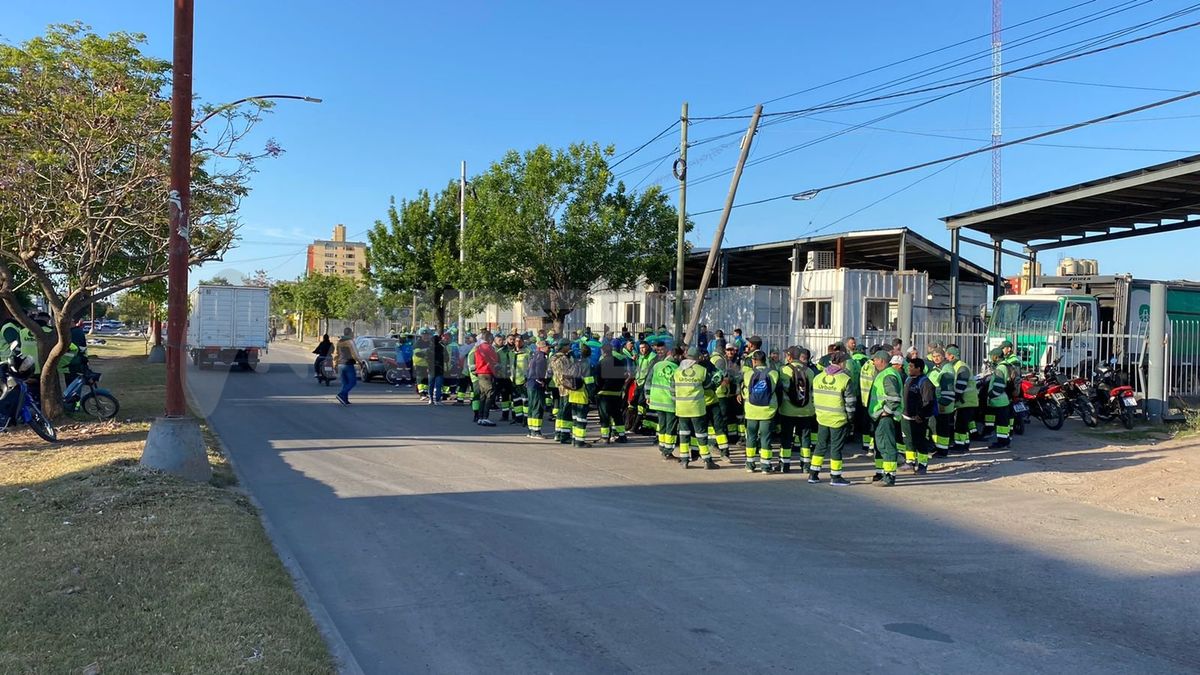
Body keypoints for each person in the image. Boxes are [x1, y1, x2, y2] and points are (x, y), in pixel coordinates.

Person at [809, 351, 856, 486]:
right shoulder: (844, 379)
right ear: (842, 363)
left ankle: (813, 474)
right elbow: (850, 402)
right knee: (836, 448)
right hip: (838, 419)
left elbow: (813, 397)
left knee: (820, 446)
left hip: (822, 417)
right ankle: (835, 477)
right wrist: (851, 419)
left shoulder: (818, 377)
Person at [673, 347, 718, 469]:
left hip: (681, 408)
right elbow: (709, 386)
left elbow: (672, 389)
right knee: (701, 434)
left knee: (683, 434)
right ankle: (707, 460)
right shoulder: (701, 370)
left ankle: (684, 460)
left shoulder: (677, 371)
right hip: (696, 408)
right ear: (697, 358)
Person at [867, 350, 903, 486]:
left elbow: (894, 398)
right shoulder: (884, 374)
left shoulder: (888, 375)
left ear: (881, 360)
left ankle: (889, 476)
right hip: (879, 416)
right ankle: (880, 473)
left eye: (875, 360)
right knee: (879, 446)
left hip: (885, 417)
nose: (873, 362)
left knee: (887, 446)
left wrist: (886, 412)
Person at [740, 350, 779, 473]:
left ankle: (750, 464)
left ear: (754, 361)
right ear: (765, 360)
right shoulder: (774, 373)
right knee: (765, 438)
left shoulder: (748, 374)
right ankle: (765, 466)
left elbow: (744, 391)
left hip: (751, 410)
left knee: (751, 437)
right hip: (767, 411)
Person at [777, 346, 812, 474]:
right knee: (805, 437)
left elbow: (779, 388)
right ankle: (806, 465)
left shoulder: (783, 370)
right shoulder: (809, 371)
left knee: (786, 437)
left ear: (790, 357)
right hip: (806, 410)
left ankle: (784, 465)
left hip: (787, 410)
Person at [902, 358, 937, 474]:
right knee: (908, 441)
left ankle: (922, 465)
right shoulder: (908, 379)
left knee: (920, 442)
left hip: (919, 419)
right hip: (907, 417)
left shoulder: (925, 382)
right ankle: (910, 462)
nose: (909, 368)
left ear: (919, 369)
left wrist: (921, 415)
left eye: (911, 366)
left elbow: (928, 402)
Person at [646, 346, 680, 460]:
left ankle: (662, 447)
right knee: (671, 427)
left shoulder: (657, 365)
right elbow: (674, 388)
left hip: (657, 400)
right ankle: (668, 451)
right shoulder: (676, 368)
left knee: (662, 424)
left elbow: (648, 381)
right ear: (675, 357)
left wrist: (648, 396)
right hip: (669, 402)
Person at [946, 345, 977, 454]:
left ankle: (960, 446)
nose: (946, 358)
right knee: (963, 424)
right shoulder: (958, 366)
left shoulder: (961, 367)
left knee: (960, 424)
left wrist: (956, 397)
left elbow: (960, 385)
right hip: (966, 401)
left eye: (947, 355)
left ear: (952, 356)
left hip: (966, 401)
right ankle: (964, 444)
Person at [927, 346, 956, 458]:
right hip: (938, 403)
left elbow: (947, 388)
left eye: (938, 356)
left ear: (943, 356)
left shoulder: (946, 369)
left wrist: (944, 403)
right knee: (938, 427)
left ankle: (943, 451)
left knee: (943, 428)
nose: (936, 358)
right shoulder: (938, 368)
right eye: (934, 356)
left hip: (943, 404)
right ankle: (939, 449)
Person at [596, 344, 629, 443]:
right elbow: (623, 377)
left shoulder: (601, 363)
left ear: (603, 352)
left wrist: (597, 390)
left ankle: (605, 437)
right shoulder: (619, 362)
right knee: (617, 415)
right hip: (617, 393)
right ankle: (622, 436)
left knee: (605, 416)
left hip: (604, 393)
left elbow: (598, 380)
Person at [985, 348, 1012, 448]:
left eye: (992, 356)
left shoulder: (1000, 368)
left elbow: (998, 386)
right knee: (1004, 423)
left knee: (1001, 424)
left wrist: (991, 395)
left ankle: (1002, 442)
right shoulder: (1006, 365)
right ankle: (1005, 441)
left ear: (996, 357)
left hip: (999, 400)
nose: (991, 358)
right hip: (1004, 400)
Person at [473, 330, 499, 426]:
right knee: (490, 394)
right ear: (488, 338)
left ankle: (480, 417)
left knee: (483, 395)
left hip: (480, 372)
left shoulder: (478, 347)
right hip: (487, 372)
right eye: (492, 338)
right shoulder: (489, 347)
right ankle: (485, 417)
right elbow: (494, 361)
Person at [526, 340, 550, 439]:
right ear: (542, 348)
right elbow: (539, 372)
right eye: (548, 347)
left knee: (532, 407)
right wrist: (542, 381)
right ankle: (536, 432)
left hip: (531, 384)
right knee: (537, 407)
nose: (549, 349)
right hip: (536, 385)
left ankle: (531, 430)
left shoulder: (534, 356)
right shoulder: (541, 357)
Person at [334, 328, 360, 406]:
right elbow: (355, 354)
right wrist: (360, 362)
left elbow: (336, 354)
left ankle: (345, 399)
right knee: (352, 382)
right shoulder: (350, 342)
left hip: (340, 364)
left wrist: (335, 364)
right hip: (348, 364)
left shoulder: (339, 342)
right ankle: (341, 394)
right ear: (350, 333)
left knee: (345, 383)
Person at [428, 334, 446, 405]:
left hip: (431, 369)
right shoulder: (442, 348)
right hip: (440, 368)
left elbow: (427, 358)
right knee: (438, 385)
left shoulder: (429, 348)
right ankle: (438, 400)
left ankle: (431, 399)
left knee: (431, 385)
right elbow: (446, 358)